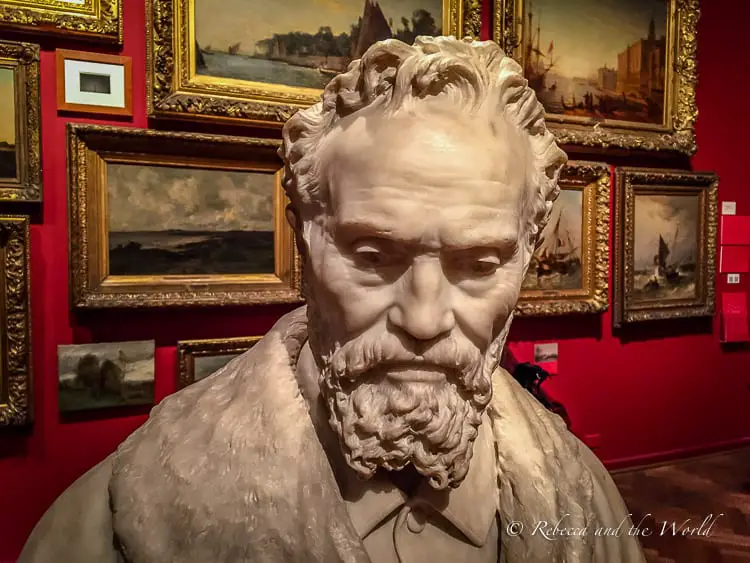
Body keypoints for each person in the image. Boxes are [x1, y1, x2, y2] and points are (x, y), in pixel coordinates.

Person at [19, 36, 645, 563]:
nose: (424, 318)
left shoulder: (585, 503)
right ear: (305, 240)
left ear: (526, 256)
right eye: (373, 257)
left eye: (479, 265)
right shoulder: (115, 524)